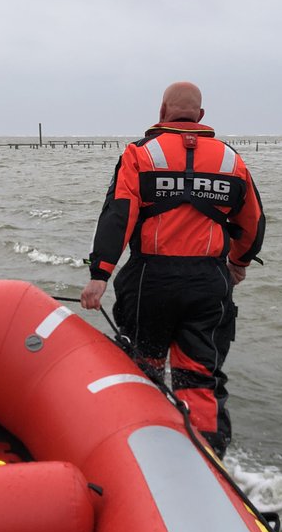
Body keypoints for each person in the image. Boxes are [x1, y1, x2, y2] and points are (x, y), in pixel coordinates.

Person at [80, 81, 265, 456]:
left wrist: (100, 275)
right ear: (200, 116)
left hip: (151, 282)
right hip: (208, 284)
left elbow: (119, 215)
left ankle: (139, 450)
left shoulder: (140, 155)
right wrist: (238, 264)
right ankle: (210, 459)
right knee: (200, 377)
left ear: (162, 111)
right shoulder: (231, 161)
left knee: (143, 367)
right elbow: (253, 223)